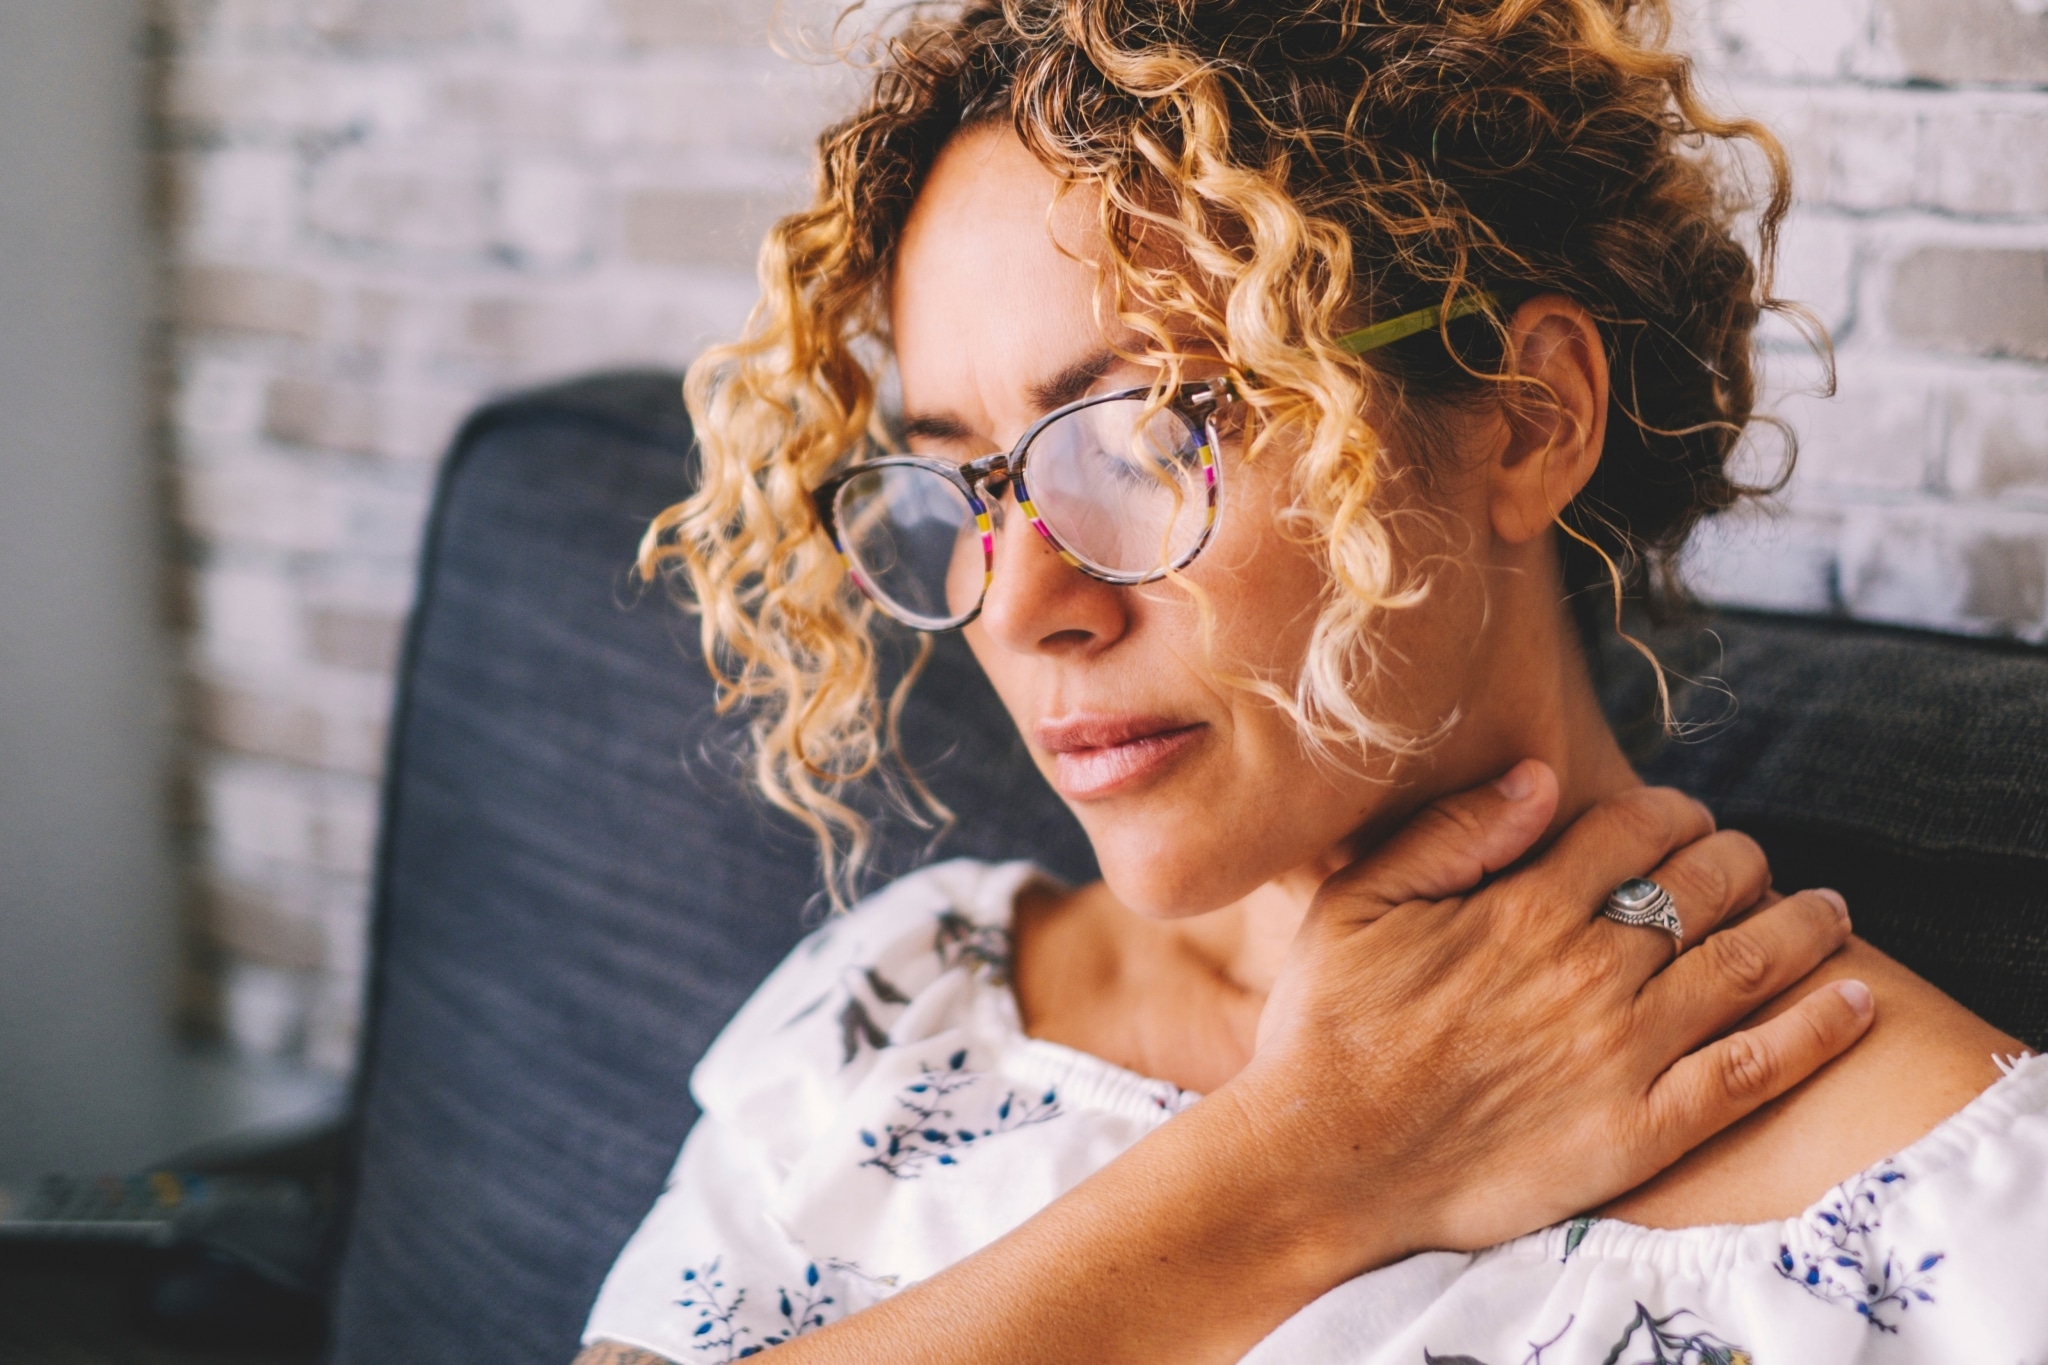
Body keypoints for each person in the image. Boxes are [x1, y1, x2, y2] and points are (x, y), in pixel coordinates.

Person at [577, 1, 2042, 1361]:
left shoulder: (1947, 1206)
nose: (1022, 603)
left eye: (1148, 434)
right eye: (969, 478)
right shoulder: (899, 1006)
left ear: (1528, 419)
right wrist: (1296, 1168)